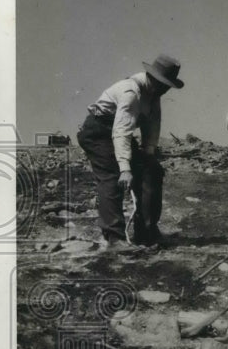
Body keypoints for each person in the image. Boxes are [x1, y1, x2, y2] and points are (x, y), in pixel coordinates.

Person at [76, 55, 184, 249]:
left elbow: (153, 124)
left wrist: (149, 153)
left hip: (117, 133)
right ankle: (114, 238)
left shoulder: (153, 94)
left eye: (169, 85)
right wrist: (125, 168)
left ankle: (147, 233)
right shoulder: (131, 91)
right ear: (153, 78)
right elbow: (121, 131)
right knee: (113, 175)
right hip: (98, 132)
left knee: (152, 171)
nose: (166, 89)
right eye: (164, 84)